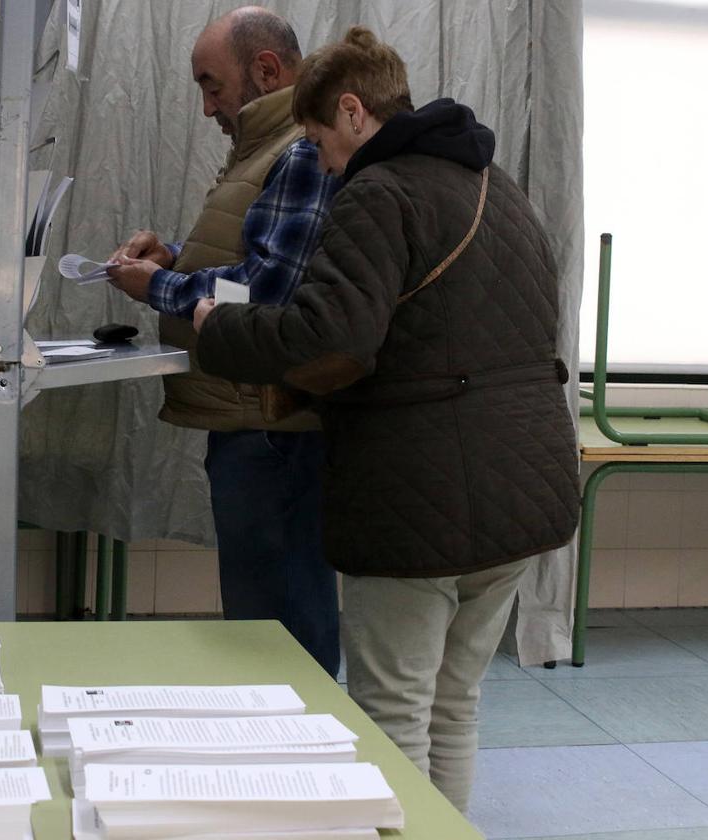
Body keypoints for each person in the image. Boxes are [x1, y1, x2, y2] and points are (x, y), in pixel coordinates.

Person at [192, 27, 580, 812]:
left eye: (318, 140)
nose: (322, 163)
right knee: (454, 703)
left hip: (420, 499)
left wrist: (212, 323)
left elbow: (328, 335)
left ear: (352, 111)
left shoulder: (379, 190)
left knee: (393, 709)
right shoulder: (493, 183)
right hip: (528, 489)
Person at [104, 6, 342, 677]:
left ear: (266, 71)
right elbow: (256, 271)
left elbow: (266, 299)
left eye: (213, 85)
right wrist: (176, 258)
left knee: (279, 627)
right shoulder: (268, 149)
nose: (208, 107)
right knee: (268, 617)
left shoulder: (298, 149)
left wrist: (157, 286)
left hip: (272, 422)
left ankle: (296, 766)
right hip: (257, 416)